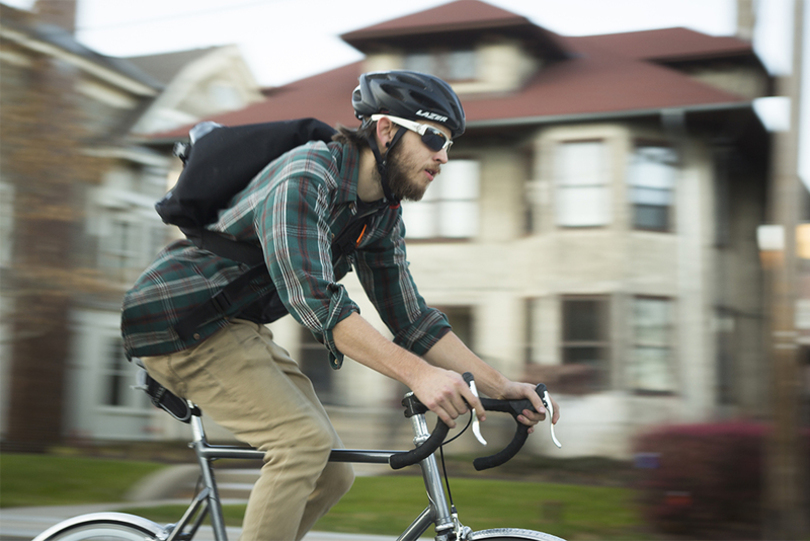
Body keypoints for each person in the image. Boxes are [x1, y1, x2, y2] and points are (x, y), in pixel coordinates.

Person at [121, 70, 560, 541]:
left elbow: (411, 318)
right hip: (178, 322)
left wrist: (502, 386)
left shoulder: (379, 214)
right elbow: (320, 306)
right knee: (299, 444)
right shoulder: (306, 176)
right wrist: (419, 375)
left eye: (450, 144)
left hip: (233, 328)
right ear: (386, 130)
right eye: (433, 136)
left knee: (332, 473)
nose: (444, 155)